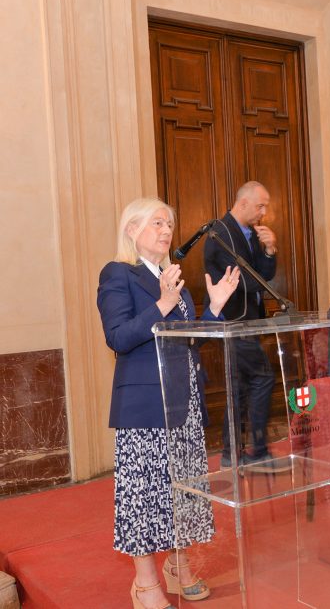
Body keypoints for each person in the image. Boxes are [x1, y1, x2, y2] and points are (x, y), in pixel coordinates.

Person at [97, 198, 240, 609]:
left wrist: (214, 308)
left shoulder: (171, 278)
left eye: (170, 224)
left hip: (184, 402)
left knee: (184, 492)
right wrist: (162, 304)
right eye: (157, 222)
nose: (167, 230)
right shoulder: (118, 273)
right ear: (132, 229)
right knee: (145, 495)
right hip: (145, 405)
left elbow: (187, 340)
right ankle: (145, 585)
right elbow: (118, 337)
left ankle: (178, 566)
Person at [203, 181, 281, 470]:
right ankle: (256, 451)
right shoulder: (220, 233)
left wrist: (269, 249)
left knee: (240, 387)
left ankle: (231, 453)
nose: (263, 212)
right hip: (232, 322)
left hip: (250, 321)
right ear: (244, 203)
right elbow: (243, 280)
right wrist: (265, 283)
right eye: (260, 206)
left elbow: (264, 274)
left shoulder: (250, 233)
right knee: (262, 378)